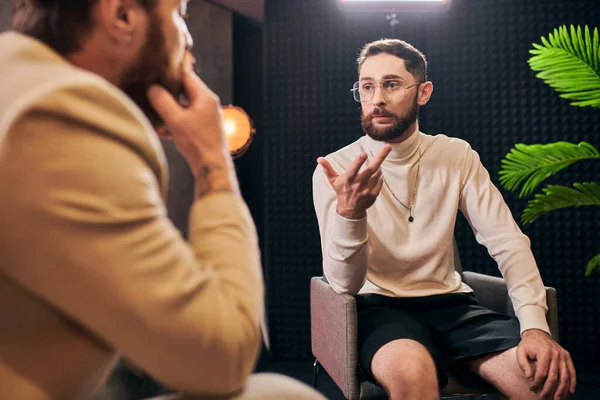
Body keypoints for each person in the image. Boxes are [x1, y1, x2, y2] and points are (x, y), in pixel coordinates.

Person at [0, 1, 324, 399]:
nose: (187, 40)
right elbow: (221, 354)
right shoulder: (61, 111)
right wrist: (212, 162)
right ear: (121, 15)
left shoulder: (15, 78)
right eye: (179, 15)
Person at [312, 38, 577, 400]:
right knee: (413, 378)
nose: (378, 99)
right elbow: (344, 284)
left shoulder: (457, 155)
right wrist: (351, 215)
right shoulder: (337, 169)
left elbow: (508, 242)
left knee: (541, 384)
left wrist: (535, 327)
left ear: (423, 92)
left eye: (392, 84)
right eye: (367, 87)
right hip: (378, 308)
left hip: (452, 305)